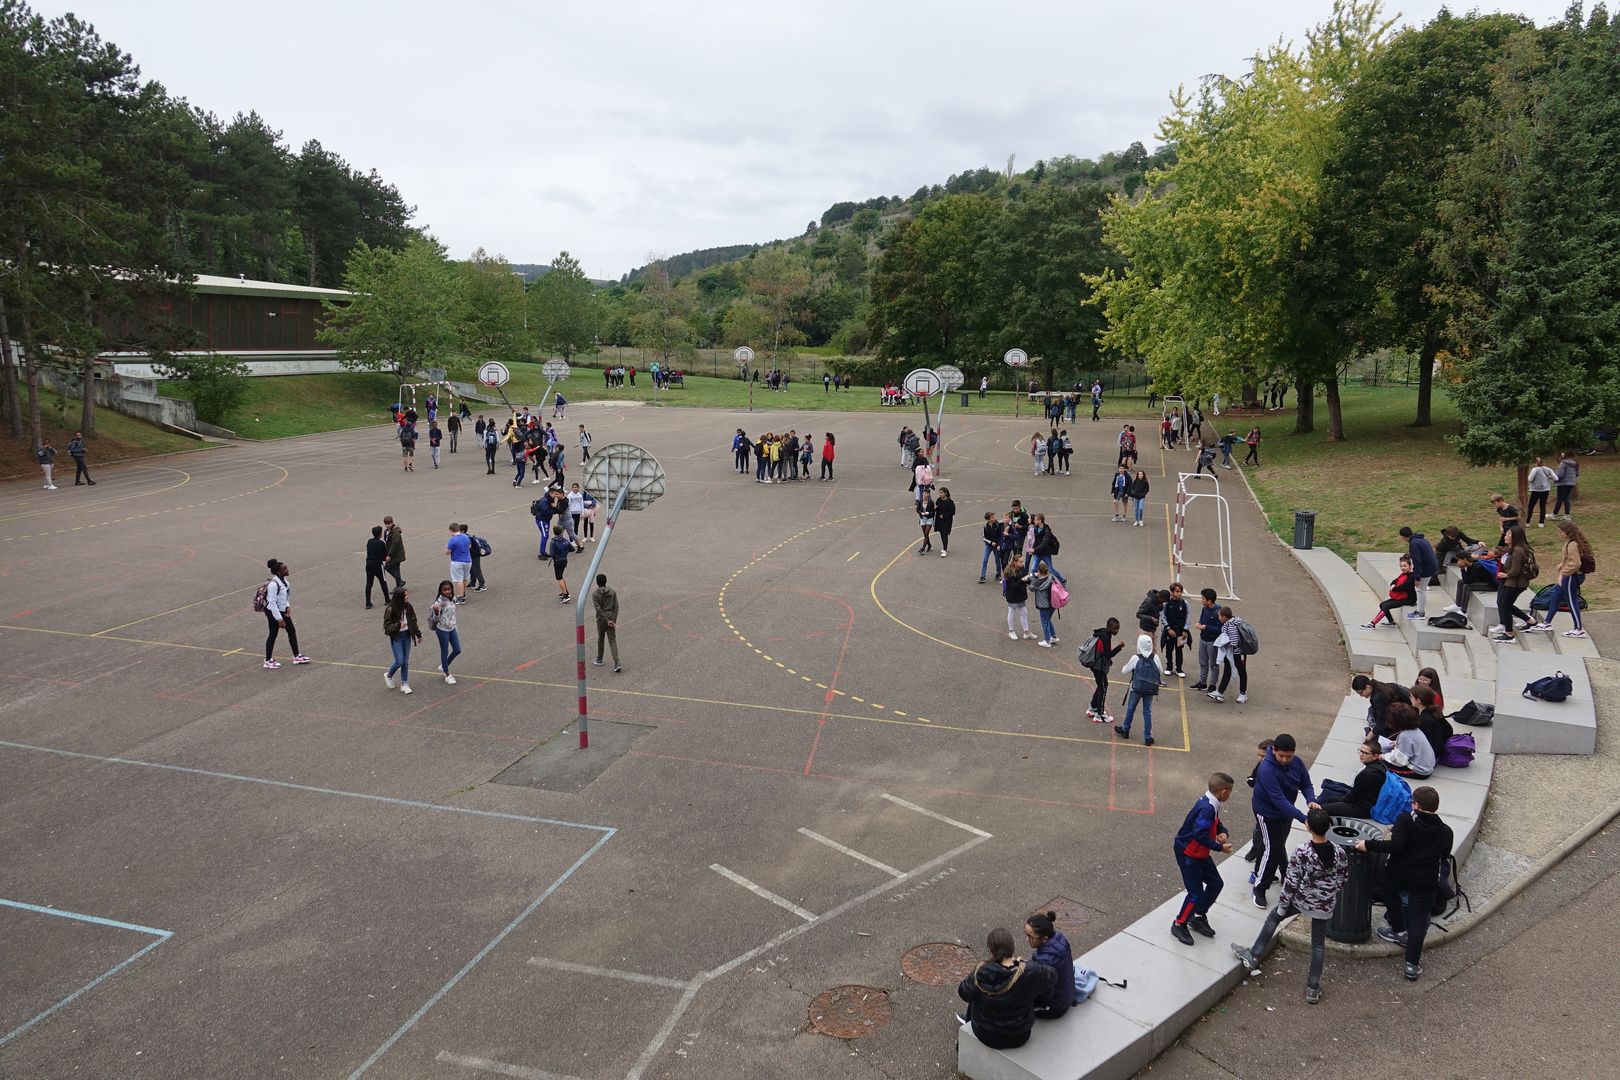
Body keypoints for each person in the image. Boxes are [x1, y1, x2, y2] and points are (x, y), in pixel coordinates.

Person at [1232, 807, 1349, 1004]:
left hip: (1301, 899)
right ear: (1329, 826)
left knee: (1273, 918)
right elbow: (1343, 879)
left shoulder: (1303, 852)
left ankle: (1254, 954)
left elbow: (1291, 882)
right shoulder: (1340, 852)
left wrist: (1283, 906)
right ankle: (1312, 987)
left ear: (1307, 826)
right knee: (1318, 945)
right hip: (1324, 904)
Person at [1357, 785, 1453, 980]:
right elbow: (1444, 855)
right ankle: (1411, 964)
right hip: (1426, 879)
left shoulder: (1406, 820)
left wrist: (1368, 845)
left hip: (1399, 873)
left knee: (1390, 894)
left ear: (1416, 805)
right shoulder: (1445, 831)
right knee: (1419, 917)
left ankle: (1398, 930)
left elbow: (1396, 846)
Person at [955, 928, 1056, 1050]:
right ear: (1012, 948)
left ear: (990, 950)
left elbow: (963, 992)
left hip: (987, 1033)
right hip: (1020, 1034)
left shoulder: (982, 973)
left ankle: (963, 1041)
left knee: (974, 995)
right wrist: (1025, 963)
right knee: (1030, 988)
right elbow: (1052, 976)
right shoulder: (1029, 971)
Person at [1250, 733, 1318, 909]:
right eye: (1282, 756)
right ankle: (1259, 888)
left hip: (1285, 811)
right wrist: (1304, 819)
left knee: (1279, 845)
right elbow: (1278, 801)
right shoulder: (1266, 770)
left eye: (1289, 756)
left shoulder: (1297, 762)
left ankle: (1285, 873)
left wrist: (1311, 799)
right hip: (1267, 813)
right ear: (1274, 750)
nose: (1285, 760)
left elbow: (1306, 784)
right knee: (1272, 849)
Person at [1169, 773, 1235, 945]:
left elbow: (1216, 822)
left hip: (1200, 854)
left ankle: (1197, 915)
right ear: (1223, 792)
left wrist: (1223, 831)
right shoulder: (1207, 808)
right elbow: (1199, 834)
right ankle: (1179, 923)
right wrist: (1220, 847)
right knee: (1195, 893)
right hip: (1188, 854)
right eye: (1230, 792)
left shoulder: (1212, 803)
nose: (1230, 795)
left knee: (1216, 883)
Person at [1528, 518, 1592, 638]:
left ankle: (1578, 629)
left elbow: (1576, 563)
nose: (1559, 534)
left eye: (1561, 532)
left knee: (1571, 601)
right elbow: (1571, 559)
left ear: (1568, 532)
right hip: (1570, 576)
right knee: (1556, 596)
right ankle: (1547, 622)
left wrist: (1563, 573)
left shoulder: (1572, 545)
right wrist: (1563, 564)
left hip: (1572, 577)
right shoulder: (1571, 542)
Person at [1020, 913, 1075, 1020]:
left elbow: (1043, 990)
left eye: (1030, 937)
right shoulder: (1059, 938)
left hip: (1056, 1007)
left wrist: (1025, 966)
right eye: (1025, 933)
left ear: (1044, 939)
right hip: (1068, 994)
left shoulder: (1045, 960)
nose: (1027, 939)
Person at [1319, 738, 1389, 819]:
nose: (1361, 755)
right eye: (1360, 751)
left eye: (1365, 753)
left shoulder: (1368, 774)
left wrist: (1335, 800)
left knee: (1323, 808)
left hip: (1365, 809)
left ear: (1375, 756)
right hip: (1370, 802)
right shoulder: (1380, 766)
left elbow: (1352, 798)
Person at [1491, 525, 1536, 641]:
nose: (1506, 536)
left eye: (1509, 534)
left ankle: (1509, 634)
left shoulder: (1518, 551)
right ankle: (1529, 621)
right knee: (1504, 604)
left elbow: (1516, 570)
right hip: (1508, 581)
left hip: (1514, 583)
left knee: (1505, 606)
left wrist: (1506, 575)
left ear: (1516, 536)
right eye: (1506, 534)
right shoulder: (1512, 548)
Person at [261, 559, 308, 669]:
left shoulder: (285, 582)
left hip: (282, 610)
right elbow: (272, 603)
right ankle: (268, 660)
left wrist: (287, 607)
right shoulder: (273, 584)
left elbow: (285, 597)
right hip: (273, 612)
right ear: (278, 572)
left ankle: (296, 656)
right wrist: (279, 619)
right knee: (273, 634)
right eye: (285, 569)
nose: (287, 570)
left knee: (291, 631)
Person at [1115, 634, 1160, 745]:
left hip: (1137, 688)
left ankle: (1125, 729)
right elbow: (1161, 671)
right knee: (1147, 712)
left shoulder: (1136, 658)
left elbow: (1124, 671)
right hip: (1150, 688)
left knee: (1131, 708)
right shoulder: (1155, 658)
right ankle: (1148, 737)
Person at [1083, 617, 1123, 723]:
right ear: (1108, 627)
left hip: (1096, 664)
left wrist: (1108, 660)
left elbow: (1104, 652)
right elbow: (1107, 654)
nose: (1116, 631)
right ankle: (1099, 714)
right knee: (1104, 686)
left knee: (1101, 685)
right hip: (1098, 666)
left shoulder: (1103, 633)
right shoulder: (1105, 637)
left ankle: (1093, 707)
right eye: (1114, 629)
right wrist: (1119, 647)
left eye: (1118, 629)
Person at [1379, 703, 1435, 778]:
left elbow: (1399, 761)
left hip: (1419, 771)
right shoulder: (1416, 729)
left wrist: (1384, 756)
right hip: (1426, 765)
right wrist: (1397, 743)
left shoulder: (1404, 736)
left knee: (1379, 762)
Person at [1361, 554, 1417, 629]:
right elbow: (1395, 580)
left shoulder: (1411, 576)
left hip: (1408, 599)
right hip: (1401, 597)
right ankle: (1391, 622)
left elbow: (1404, 587)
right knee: (1382, 604)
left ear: (1410, 566)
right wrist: (1393, 584)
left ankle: (1372, 623)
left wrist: (1394, 588)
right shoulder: (1403, 574)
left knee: (1386, 606)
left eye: (1405, 566)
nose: (1403, 568)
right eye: (1401, 566)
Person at [383, 587, 421, 694]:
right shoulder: (391, 610)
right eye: (405, 595)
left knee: (405, 661)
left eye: (407, 595)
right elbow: (387, 627)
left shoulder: (409, 607)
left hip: (406, 635)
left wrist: (418, 634)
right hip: (397, 637)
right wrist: (398, 625)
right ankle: (389, 675)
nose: (407, 597)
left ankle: (404, 683)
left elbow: (413, 621)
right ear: (399, 597)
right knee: (399, 660)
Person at [1351, 674, 1412, 739]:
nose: (1361, 695)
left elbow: (1382, 719)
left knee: (1380, 734)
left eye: (1361, 693)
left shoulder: (1378, 698)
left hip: (1400, 718)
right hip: (1399, 710)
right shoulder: (1378, 685)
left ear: (1367, 687)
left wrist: (1372, 733)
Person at [1209, 606, 1249, 703]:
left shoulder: (1231, 626)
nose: (1218, 618)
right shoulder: (1231, 623)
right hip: (1230, 653)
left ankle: (1243, 693)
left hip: (1237, 654)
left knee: (1241, 671)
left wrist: (1223, 643)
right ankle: (1220, 692)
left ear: (1224, 617)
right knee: (1227, 671)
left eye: (1219, 617)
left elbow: (1234, 642)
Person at [1443, 549, 1499, 616]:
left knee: (1467, 587)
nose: (1458, 562)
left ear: (1464, 559)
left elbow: (1467, 581)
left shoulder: (1477, 566)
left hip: (1491, 585)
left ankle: (1463, 611)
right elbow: (1466, 579)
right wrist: (1463, 569)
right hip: (1482, 581)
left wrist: (1462, 569)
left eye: (1459, 560)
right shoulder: (1471, 565)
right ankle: (1458, 605)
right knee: (1460, 582)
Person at [428, 580, 462, 685]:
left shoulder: (453, 599)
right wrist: (436, 612)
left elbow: (452, 613)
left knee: (457, 649)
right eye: (444, 590)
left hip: (451, 627)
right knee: (445, 650)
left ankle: (444, 664)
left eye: (449, 589)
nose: (447, 591)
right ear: (441, 591)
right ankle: (447, 674)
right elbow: (433, 615)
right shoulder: (439, 602)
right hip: (442, 629)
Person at [1399, 527, 1439, 613]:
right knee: (1421, 589)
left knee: (1421, 590)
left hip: (1427, 568)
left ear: (1403, 537)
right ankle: (1419, 610)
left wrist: (1417, 578)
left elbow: (1417, 562)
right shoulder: (1420, 539)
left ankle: (1420, 612)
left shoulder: (1414, 543)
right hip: (1432, 566)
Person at [1191, 588, 1222, 691]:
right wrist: (1199, 623)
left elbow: (1219, 629)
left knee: (1213, 664)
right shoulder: (1205, 608)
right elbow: (1202, 618)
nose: (1202, 600)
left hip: (1213, 642)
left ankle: (1213, 685)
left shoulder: (1218, 612)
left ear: (1209, 600)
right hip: (1203, 639)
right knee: (1203, 662)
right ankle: (1203, 682)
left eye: (1203, 599)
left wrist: (1206, 627)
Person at [590, 573, 621, 672]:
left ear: (597, 583)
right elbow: (616, 606)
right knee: (612, 640)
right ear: (606, 581)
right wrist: (612, 620)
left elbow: (598, 609)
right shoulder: (612, 592)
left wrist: (606, 620)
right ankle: (617, 662)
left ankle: (599, 658)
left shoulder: (595, 594)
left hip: (601, 620)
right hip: (611, 617)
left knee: (601, 638)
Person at [1161, 582, 1190, 678]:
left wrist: (1185, 630)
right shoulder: (1166, 604)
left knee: (1179, 650)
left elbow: (1188, 617)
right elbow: (1163, 616)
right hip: (1170, 631)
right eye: (1177, 591)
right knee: (1169, 649)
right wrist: (1168, 628)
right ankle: (1169, 667)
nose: (1179, 593)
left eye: (1180, 591)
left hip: (1181, 632)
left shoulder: (1184, 603)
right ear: (1172, 592)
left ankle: (1179, 668)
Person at [1002, 554, 1033, 641]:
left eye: (1022, 561)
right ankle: (1011, 631)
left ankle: (1026, 632)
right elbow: (1012, 586)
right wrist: (1022, 581)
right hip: (1012, 595)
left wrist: (1028, 580)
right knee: (1011, 612)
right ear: (1015, 562)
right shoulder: (1009, 572)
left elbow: (1023, 579)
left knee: (1024, 612)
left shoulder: (1021, 568)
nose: (1022, 563)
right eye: (1020, 562)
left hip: (1020, 594)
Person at [1027, 563, 1058, 647]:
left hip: (1044, 605)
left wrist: (1029, 578)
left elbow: (1031, 588)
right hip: (1053, 603)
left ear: (1039, 571)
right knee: (1048, 620)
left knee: (1044, 622)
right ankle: (1054, 636)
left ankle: (1047, 641)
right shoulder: (1051, 578)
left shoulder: (1038, 582)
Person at [1028, 513, 1064, 583]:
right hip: (1037, 553)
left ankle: (1062, 580)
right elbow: (1035, 540)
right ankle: (1035, 583)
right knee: (1033, 569)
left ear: (1040, 521)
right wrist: (1032, 549)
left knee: (1051, 570)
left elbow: (1044, 543)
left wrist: (1034, 549)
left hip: (1045, 553)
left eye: (1035, 520)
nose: (1034, 521)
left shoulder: (1047, 530)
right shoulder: (1036, 527)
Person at [364, 526, 391, 609]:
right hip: (378, 565)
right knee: (383, 581)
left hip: (369, 564)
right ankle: (387, 599)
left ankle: (368, 602)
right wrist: (387, 558)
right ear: (380, 534)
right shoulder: (381, 543)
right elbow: (384, 556)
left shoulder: (369, 541)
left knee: (369, 583)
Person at [446, 522, 472, 602]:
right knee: (464, 579)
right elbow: (469, 546)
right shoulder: (465, 537)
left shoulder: (452, 540)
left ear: (451, 530)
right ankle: (463, 594)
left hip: (457, 561)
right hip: (468, 560)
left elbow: (447, 552)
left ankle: (460, 598)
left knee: (459, 580)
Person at [1527, 456, 1557, 526]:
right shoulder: (1548, 469)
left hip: (1535, 490)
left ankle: (1527, 522)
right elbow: (1556, 478)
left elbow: (1530, 479)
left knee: (1531, 506)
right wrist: (1548, 477)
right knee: (1542, 506)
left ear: (1536, 462)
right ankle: (1541, 523)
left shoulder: (1535, 469)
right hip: (1545, 490)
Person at [459, 523, 486, 592]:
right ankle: (472, 583)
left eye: (458, 531)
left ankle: (482, 585)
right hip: (470, 556)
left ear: (462, 531)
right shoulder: (465, 537)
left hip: (474, 556)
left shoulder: (467, 538)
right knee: (471, 570)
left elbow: (468, 547)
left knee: (477, 570)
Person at [979, 511, 1003, 584]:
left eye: (994, 517)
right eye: (992, 518)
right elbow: (983, 538)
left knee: (997, 560)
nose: (994, 518)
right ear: (988, 519)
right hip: (988, 545)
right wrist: (990, 542)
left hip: (996, 546)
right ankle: (982, 576)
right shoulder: (985, 526)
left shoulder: (998, 524)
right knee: (984, 560)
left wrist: (998, 544)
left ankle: (998, 574)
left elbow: (1001, 535)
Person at [1552, 451, 1579, 517]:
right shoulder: (1575, 463)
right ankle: (1567, 514)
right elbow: (1576, 474)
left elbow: (1560, 474)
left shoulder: (1563, 463)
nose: (1561, 454)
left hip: (1563, 483)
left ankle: (1554, 514)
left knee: (1559, 499)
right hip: (1571, 483)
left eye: (1563, 452)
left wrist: (1554, 477)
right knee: (1566, 498)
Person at [382, 516, 406, 588]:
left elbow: (394, 545)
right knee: (389, 568)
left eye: (389, 524)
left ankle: (399, 586)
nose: (387, 525)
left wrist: (389, 555)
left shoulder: (396, 532)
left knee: (395, 570)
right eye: (386, 524)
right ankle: (400, 582)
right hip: (392, 554)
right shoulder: (386, 531)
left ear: (392, 523)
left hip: (396, 555)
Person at [550, 529, 572, 603]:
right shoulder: (564, 540)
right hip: (564, 560)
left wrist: (556, 556)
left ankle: (565, 595)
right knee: (561, 576)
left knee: (559, 578)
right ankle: (566, 591)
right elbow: (571, 548)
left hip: (557, 561)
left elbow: (552, 553)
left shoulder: (553, 542)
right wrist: (565, 553)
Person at [934, 487, 955, 558]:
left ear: (945, 493)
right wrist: (935, 508)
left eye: (942, 493)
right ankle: (944, 546)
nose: (940, 494)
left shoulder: (950, 502)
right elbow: (937, 508)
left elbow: (952, 512)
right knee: (941, 533)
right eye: (939, 493)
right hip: (939, 520)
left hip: (947, 521)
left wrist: (944, 515)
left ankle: (945, 549)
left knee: (944, 533)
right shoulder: (938, 500)